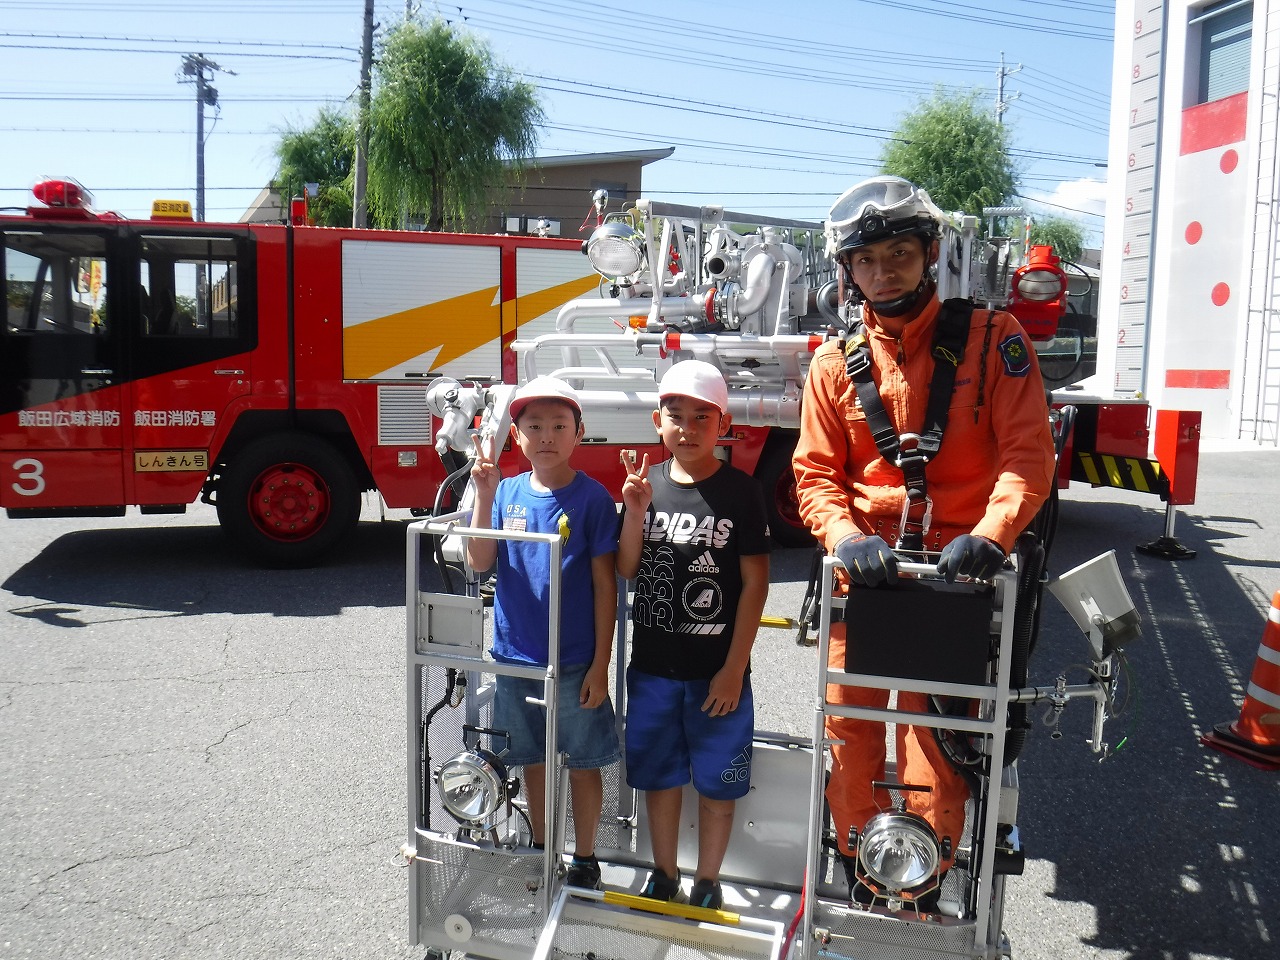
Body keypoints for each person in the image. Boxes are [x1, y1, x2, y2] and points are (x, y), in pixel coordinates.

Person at [792, 176, 1056, 904]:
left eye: (900, 253)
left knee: (935, 740)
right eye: (868, 259)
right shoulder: (831, 365)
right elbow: (814, 474)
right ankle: (865, 872)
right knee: (849, 730)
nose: (885, 271)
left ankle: (921, 881)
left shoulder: (993, 339)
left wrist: (993, 535)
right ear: (848, 270)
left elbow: (1028, 456)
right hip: (867, 580)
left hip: (958, 578)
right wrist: (844, 538)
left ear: (930, 254)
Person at [617, 360, 771, 910]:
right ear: (658, 421)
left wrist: (733, 668)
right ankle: (664, 872)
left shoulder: (741, 492)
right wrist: (634, 513)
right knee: (659, 781)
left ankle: (708, 879)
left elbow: (755, 584)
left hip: (717, 674)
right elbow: (629, 569)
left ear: (722, 422)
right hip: (655, 668)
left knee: (717, 787)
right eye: (675, 416)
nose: (687, 427)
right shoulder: (648, 485)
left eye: (701, 417)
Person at [466, 375, 621, 890]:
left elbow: (606, 585)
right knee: (531, 758)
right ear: (517, 435)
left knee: (583, 760)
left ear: (580, 433)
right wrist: (484, 496)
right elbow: (479, 561)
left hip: (576, 659)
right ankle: (542, 848)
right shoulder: (504, 491)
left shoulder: (593, 498)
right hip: (515, 657)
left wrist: (601, 663)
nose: (548, 436)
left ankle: (585, 856)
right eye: (535, 426)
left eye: (560, 426)